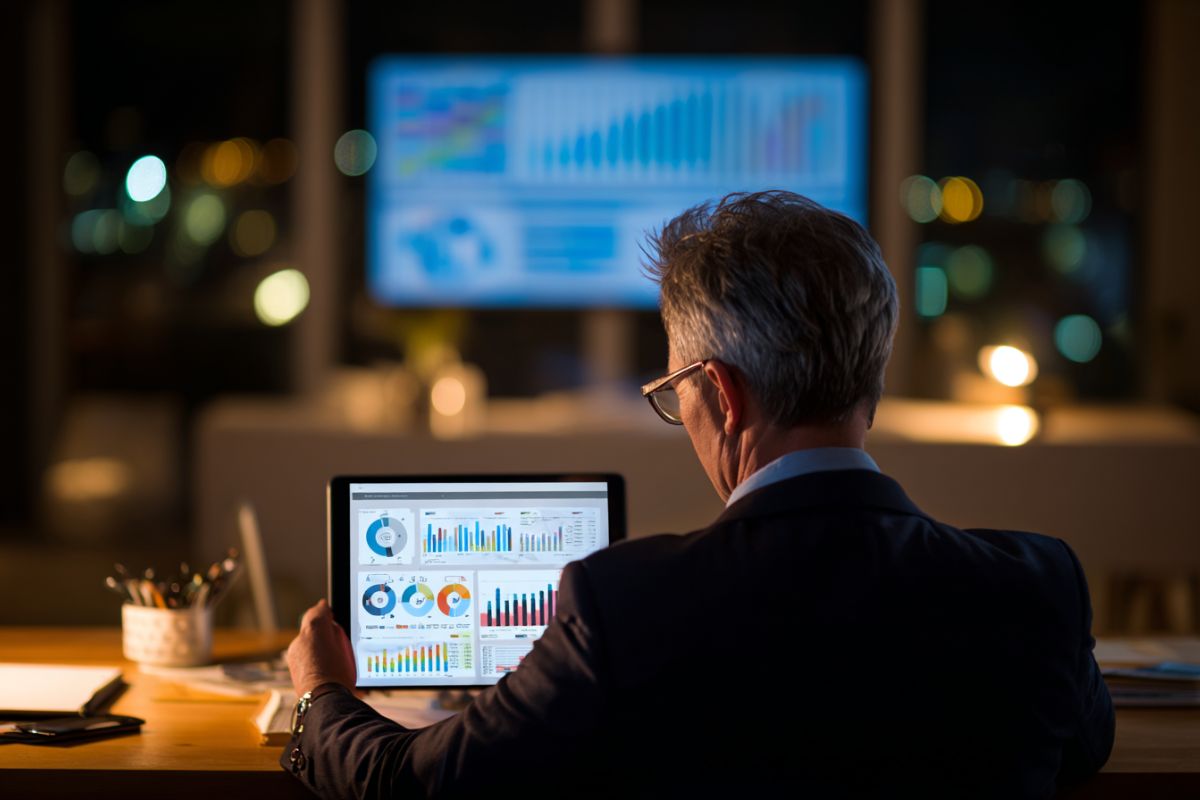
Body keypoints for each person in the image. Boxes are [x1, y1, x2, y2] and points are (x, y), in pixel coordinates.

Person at [282, 191, 1114, 798]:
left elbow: (411, 784)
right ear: (873, 379)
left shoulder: (625, 606)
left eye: (675, 390)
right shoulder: (1037, 587)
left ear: (721, 392)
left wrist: (322, 693)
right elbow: (1081, 751)